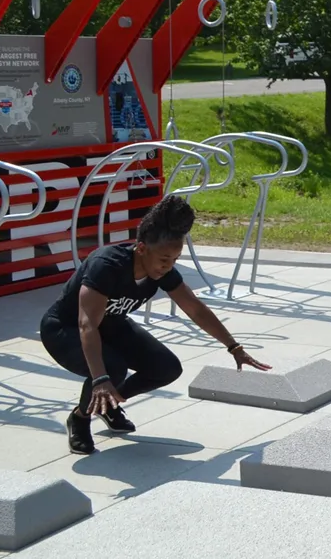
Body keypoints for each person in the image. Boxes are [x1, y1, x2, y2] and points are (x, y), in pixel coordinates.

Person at [40, 194, 271, 455]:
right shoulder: (105, 265)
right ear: (141, 249)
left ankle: (109, 403)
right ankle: (80, 418)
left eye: (174, 259)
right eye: (163, 259)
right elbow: (86, 325)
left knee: (166, 368)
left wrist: (234, 346)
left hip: (110, 325)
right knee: (111, 368)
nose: (168, 266)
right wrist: (101, 379)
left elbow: (195, 308)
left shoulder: (162, 271)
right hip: (64, 330)